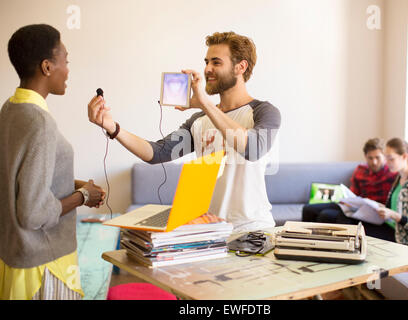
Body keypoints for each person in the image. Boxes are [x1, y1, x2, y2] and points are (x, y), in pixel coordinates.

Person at [87, 31, 281, 232]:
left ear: (240, 67)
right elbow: (156, 153)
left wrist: (205, 104)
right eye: (206, 62)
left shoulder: (264, 112)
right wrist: (112, 128)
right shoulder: (199, 121)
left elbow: (253, 149)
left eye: (216, 62)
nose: (207, 69)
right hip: (210, 229)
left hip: (252, 230)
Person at [0, 24, 105, 300]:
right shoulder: (40, 122)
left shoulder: (10, 109)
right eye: (65, 61)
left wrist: (70, 183)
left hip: (14, 257)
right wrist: (82, 196)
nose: (68, 70)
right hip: (43, 265)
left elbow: (21, 178)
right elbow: (32, 213)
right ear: (47, 67)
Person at [302, 138, 408, 224]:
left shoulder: (393, 171)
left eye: (378, 157)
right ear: (365, 156)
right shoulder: (360, 171)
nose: (374, 162)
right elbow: (352, 195)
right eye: (370, 158)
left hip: (375, 212)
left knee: (326, 215)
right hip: (356, 206)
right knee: (308, 209)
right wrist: (347, 201)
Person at [337, 138, 408, 246]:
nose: (387, 162)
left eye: (391, 159)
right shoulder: (399, 179)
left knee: (353, 232)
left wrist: (394, 215)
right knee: (345, 217)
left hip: (403, 236)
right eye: (386, 158)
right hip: (389, 226)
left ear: (404, 157)